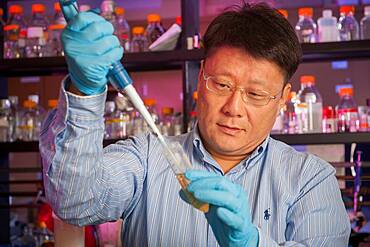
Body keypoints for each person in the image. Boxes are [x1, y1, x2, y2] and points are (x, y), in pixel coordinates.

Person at [40, 2, 350, 246]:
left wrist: (251, 244)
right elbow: (75, 202)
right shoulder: (147, 158)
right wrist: (85, 89)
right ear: (201, 76)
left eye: (255, 94)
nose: (233, 109)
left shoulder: (310, 179)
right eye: (222, 84)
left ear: (283, 98)